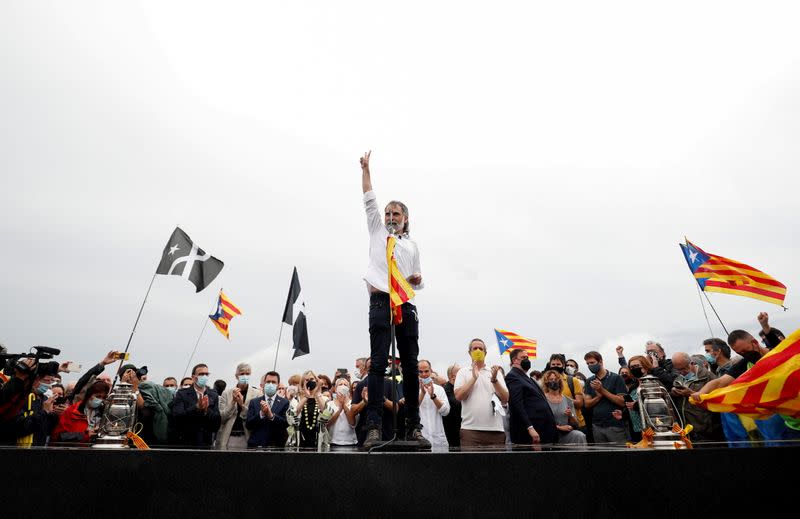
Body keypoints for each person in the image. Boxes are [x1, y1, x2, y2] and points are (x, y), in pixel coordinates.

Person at [359, 150, 427, 450]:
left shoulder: (411, 245)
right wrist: (366, 170)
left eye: (395, 215)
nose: (389, 218)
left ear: (405, 219)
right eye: (387, 214)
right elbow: (369, 198)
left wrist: (417, 280)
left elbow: (418, 278)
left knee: (410, 365)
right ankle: (373, 426)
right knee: (377, 364)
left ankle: (412, 425)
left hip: (405, 305)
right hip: (380, 302)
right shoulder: (377, 231)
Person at [691, 330, 800, 443]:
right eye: (740, 353)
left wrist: (766, 328)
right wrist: (701, 393)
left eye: (745, 350)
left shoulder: (779, 353)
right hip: (789, 423)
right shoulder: (746, 364)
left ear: (755, 342)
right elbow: (719, 382)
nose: (745, 354)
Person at [454, 339, 509, 448]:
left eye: (481, 349)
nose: (478, 351)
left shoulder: (494, 372)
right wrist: (474, 378)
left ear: (485, 352)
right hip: (470, 431)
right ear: (469, 352)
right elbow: (459, 396)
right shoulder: (463, 372)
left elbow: (505, 398)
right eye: (475, 348)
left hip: (495, 431)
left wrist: (494, 380)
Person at [505, 349, 557, 445]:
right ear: (514, 360)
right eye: (523, 358)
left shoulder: (527, 378)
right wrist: (529, 427)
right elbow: (517, 405)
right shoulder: (512, 377)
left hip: (543, 429)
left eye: (527, 358)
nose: (527, 360)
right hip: (531, 433)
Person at [171, 364, 221, 448]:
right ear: (193, 377)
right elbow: (177, 416)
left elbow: (217, 421)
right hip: (186, 442)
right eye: (201, 374)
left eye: (206, 374)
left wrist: (206, 411)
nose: (204, 376)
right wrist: (196, 407)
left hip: (206, 443)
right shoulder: (182, 394)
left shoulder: (213, 394)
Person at [583, 351, 628, 444]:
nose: (590, 365)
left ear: (600, 362)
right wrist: (598, 397)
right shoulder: (589, 381)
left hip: (615, 425)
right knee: (602, 457)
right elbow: (587, 404)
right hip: (597, 425)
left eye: (592, 363)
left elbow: (622, 402)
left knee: (621, 455)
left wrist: (602, 390)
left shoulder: (616, 378)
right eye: (587, 364)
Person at [217, 362, 263, 450]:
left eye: (247, 374)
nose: (245, 376)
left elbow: (255, 418)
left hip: (247, 436)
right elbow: (222, 418)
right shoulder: (226, 393)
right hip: (229, 437)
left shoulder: (257, 394)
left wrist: (242, 405)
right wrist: (233, 402)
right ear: (236, 376)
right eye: (242, 374)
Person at [51, 379, 111, 444]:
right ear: (89, 394)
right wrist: (84, 435)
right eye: (98, 396)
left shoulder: (105, 413)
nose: (100, 400)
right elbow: (57, 436)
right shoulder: (71, 411)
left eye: (103, 397)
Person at [541, 369, 586, 445]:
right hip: (548, 435)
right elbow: (540, 423)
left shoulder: (568, 400)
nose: (554, 381)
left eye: (556, 379)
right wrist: (558, 427)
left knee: (579, 435)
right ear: (546, 382)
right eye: (551, 379)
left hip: (564, 435)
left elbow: (575, 424)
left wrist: (570, 415)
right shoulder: (542, 400)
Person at [246, 371, 290, 448]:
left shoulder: (285, 402)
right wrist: (261, 414)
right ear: (264, 383)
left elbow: (285, 424)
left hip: (276, 446)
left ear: (278, 385)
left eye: (273, 382)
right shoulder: (254, 402)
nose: (270, 384)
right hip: (256, 446)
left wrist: (271, 416)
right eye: (268, 382)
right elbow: (248, 425)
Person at [417, 360, 450, 450]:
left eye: (426, 371)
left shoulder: (439, 389)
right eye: (420, 371)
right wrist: (422, 393)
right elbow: (411, 411)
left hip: (438, 439)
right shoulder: (413, 390)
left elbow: (446, 412)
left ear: (431, 371)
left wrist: (433, 396)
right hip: (421, 439)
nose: (424, 374)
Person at [294, 370, 329, 449]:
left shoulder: (323, 398)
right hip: (301, 439)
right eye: (307, 380)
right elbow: (294, 413)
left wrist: (317, 393)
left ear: (317, 381)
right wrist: (306, 396)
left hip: (318, 439)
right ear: (303, 383)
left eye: (312, 379)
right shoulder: (297, 399)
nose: (310, 382)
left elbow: (326, 413)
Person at [326, 377, 357, 449]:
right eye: (340, 384)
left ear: (348, 388)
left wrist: (344, 405)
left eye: (345, 385)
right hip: (333, 442)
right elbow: (327, 424)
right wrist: (340, 409)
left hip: (350, 442)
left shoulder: (353, 404)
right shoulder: (329, 404)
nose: (343, 386)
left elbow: (353, 423)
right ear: (336, 389)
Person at [442, 364, 462, 448]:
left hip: (461, 429)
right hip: (451, 431)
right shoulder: (445, 389)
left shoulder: (460, 388)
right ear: (453, 376)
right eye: (461, 373)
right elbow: (456, 403)